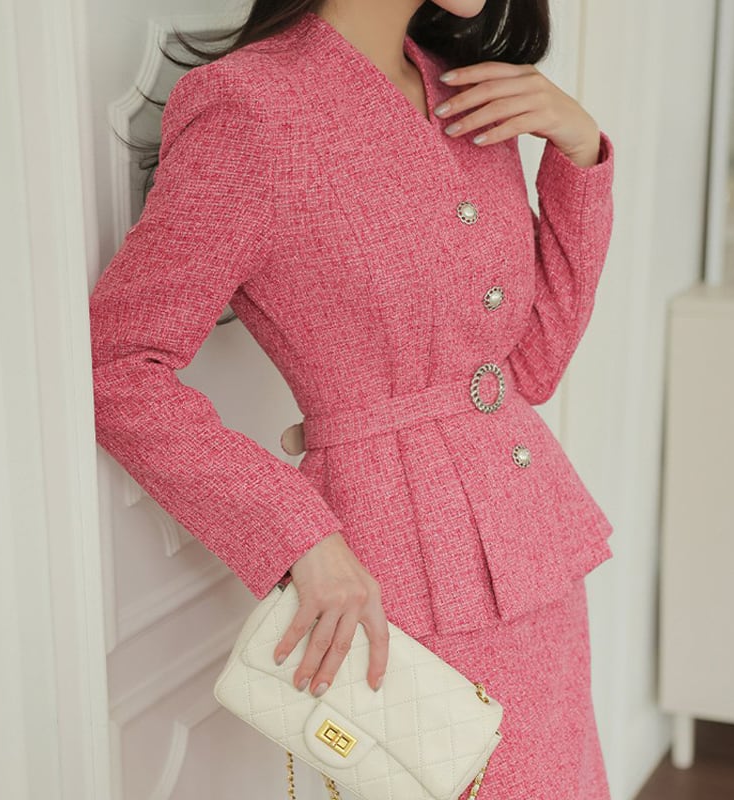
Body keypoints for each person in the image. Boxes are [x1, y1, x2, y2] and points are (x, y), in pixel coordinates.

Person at [88, 1, 616, 797]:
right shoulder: (250, 108)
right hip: (402, 575)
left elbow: (529, 368)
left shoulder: (468, 91)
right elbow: (118, 363)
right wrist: (297, 535)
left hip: (538, 554)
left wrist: (578, 156)